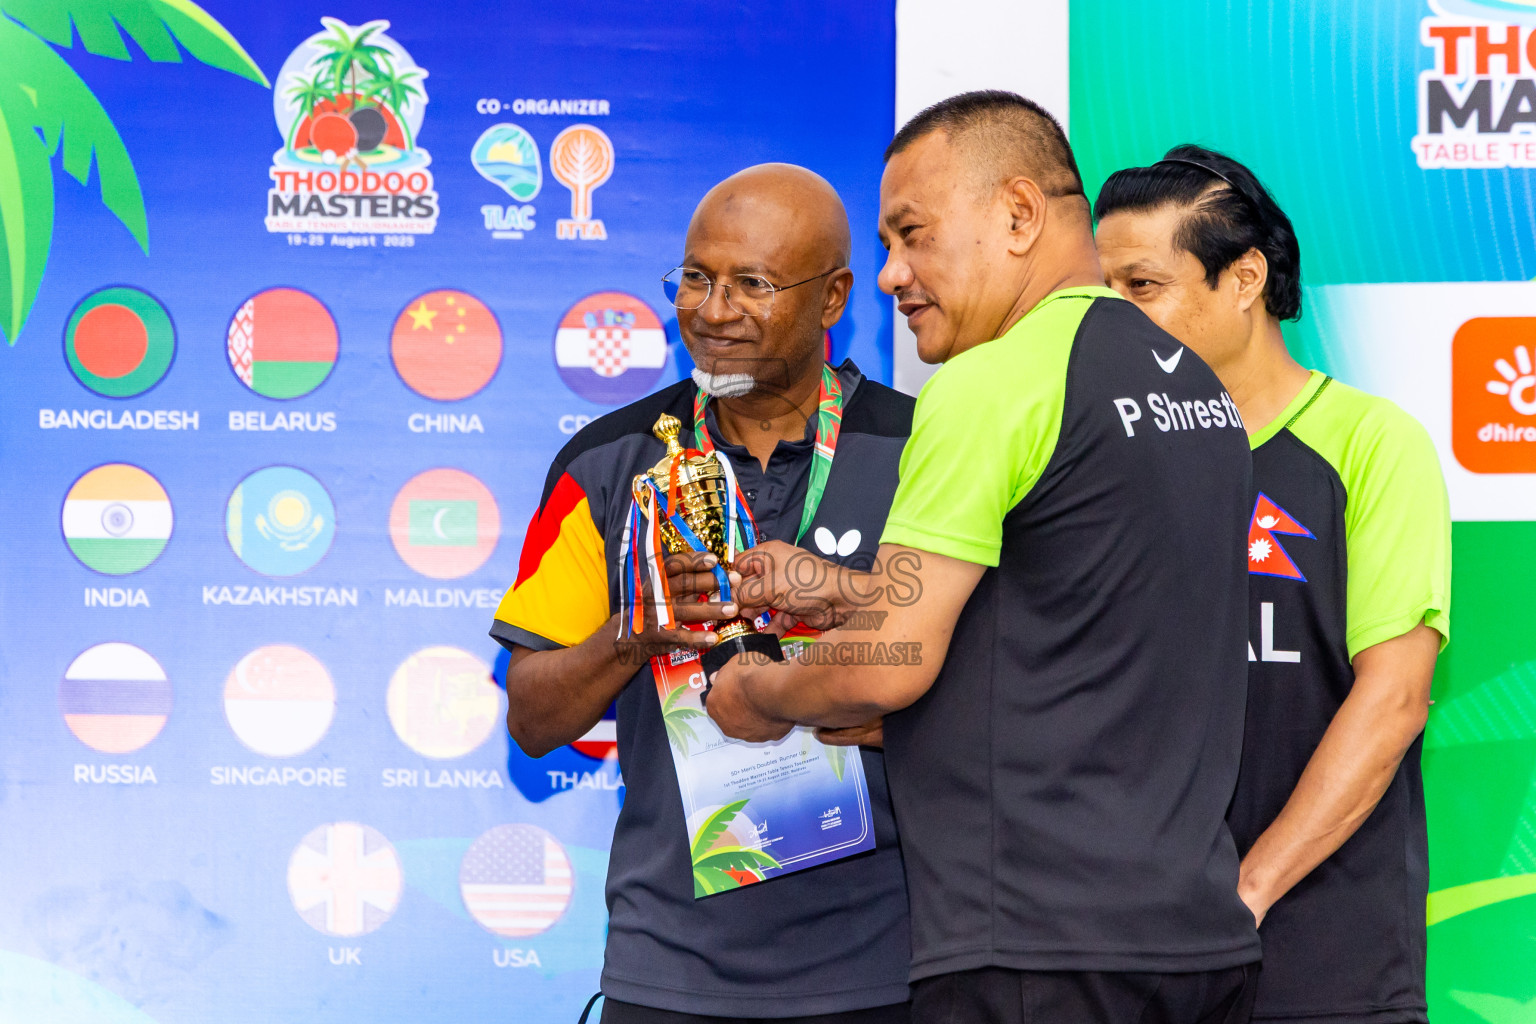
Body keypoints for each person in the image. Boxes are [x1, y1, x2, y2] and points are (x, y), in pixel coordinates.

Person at [707, 91, 1260, 1024]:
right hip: (1196, 938)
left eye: (912, 234)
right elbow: (1068, 629)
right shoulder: (1199, 392)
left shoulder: (991, 384)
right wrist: (849, 592)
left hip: (1037, 944)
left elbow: (890, 658)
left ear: (1017, 213)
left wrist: (759, 692)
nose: (891, 275)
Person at [490, 163, 915, 1024]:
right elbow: (532, 721)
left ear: (834, 299)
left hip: (892, 963)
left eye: (752, 284)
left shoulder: (924, 451)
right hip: (670, 967)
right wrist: (636, 631)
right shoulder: (607, 462)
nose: (713, 311)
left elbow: (1007, 686)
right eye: (695, 278)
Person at [1095, 145, 1451, 1024]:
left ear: (1244, 278)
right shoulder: (1103, 457)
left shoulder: (1370, 443)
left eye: (1141, 288)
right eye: (1101, 295)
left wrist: (1247, 890)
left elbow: (1395, 699)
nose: (1113, 319)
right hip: (1128, 945)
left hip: (1327, 946)